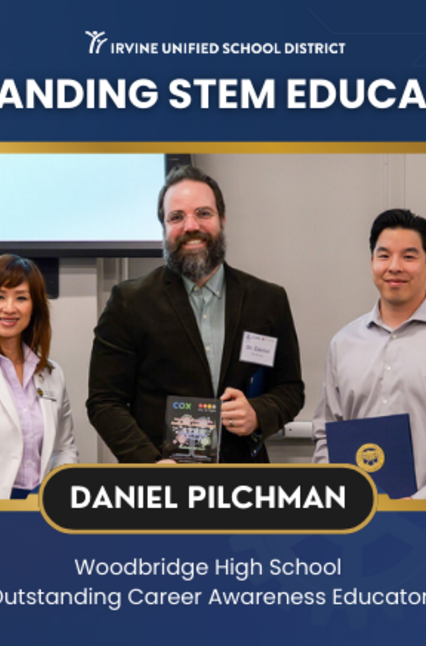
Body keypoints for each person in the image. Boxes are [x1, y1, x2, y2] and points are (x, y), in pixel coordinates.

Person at [87, 165, 304, 463]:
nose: (191, 226)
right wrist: (148, 464)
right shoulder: (129, 302)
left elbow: (290, 389)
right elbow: (105, 402)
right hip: (161, 484)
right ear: (163, 227)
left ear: (222, 220)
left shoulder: (268, 300)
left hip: (243, 483)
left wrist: (259, 413)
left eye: (203, 213)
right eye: (176, 217)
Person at [312, 209, 426, 499]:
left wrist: (420, 503)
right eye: (384, 255)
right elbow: (327, 434)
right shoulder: (343, 343)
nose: (394, 266)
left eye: (409, 256)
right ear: (372, 263)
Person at [0, 254, 78, 499]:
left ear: (34, 307)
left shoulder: (52, 373)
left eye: (21, 298)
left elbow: (65, 447)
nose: (10, 308)